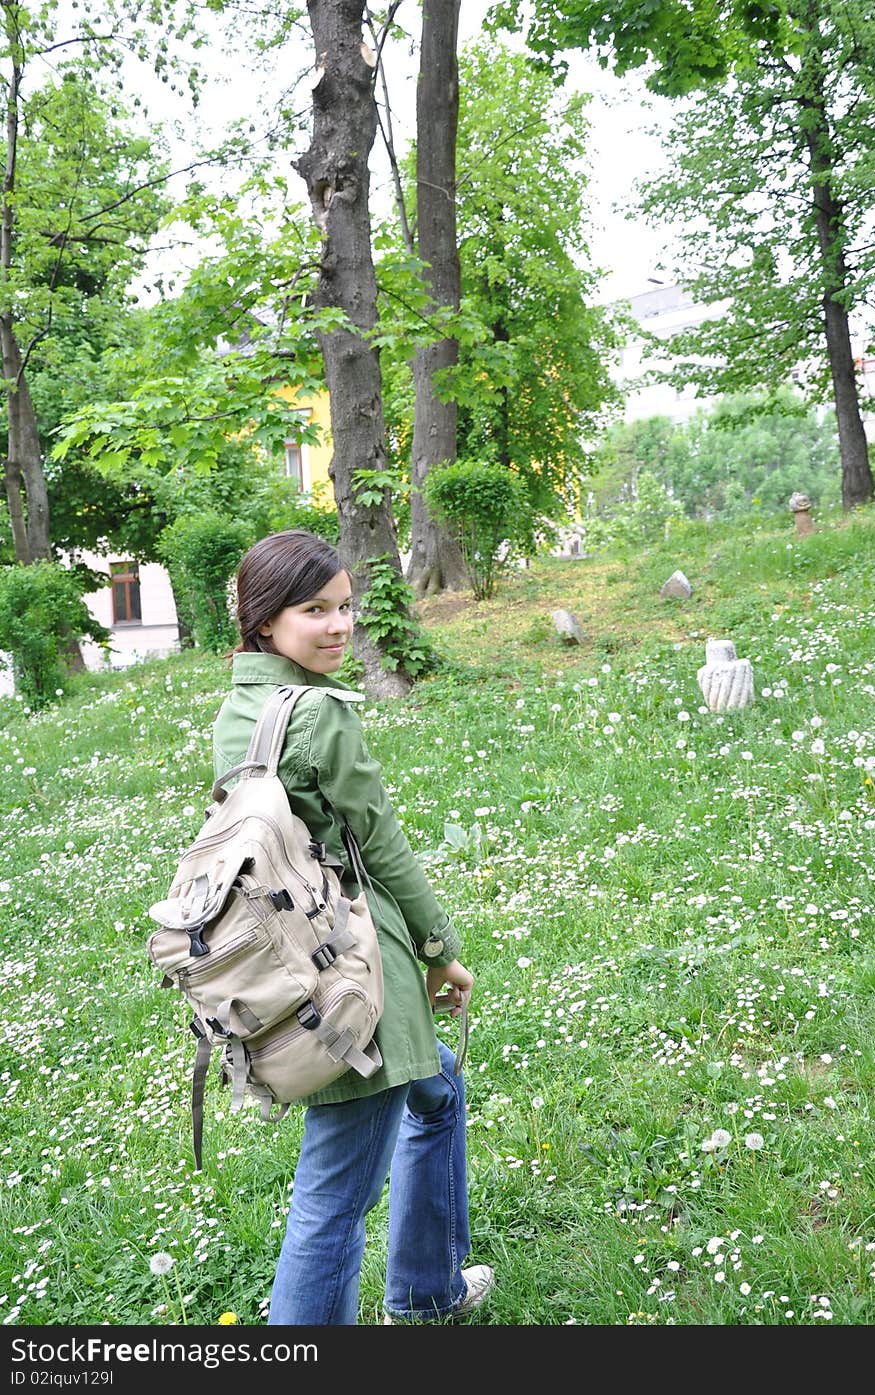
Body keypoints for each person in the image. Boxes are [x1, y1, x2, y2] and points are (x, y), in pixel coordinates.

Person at [212, 528, 494, 1326]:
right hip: (352, 971)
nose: (339, 626)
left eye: (344, 607)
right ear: (267, 620)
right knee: (332, 1198)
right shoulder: (321, 716)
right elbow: (383, 846)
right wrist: (440, 949)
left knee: (437, 1089)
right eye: (315, 610)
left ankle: (426, 1288)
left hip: (291, 953)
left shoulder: (245, 704)